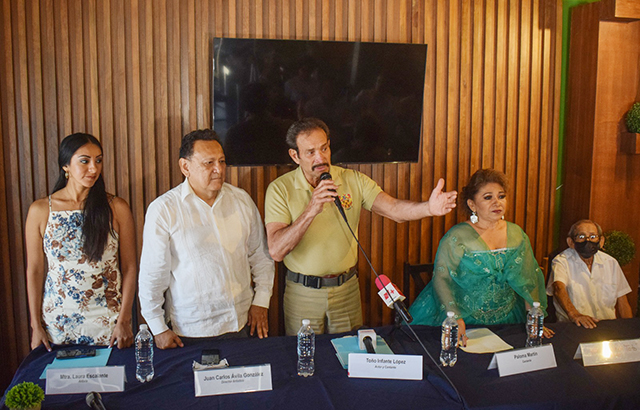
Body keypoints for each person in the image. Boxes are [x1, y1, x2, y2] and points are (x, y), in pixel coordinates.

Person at [264, 118, 457, 336]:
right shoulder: (280, 189)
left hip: (347, 291)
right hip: (303, 293)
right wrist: (312, 208)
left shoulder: (352, 179)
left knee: (349, 359)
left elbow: (393, 208)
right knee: (306, 359)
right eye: (310, 152)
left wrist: (428, 208)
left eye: (324, 148)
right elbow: (276, 250)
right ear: (294, 156)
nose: (320, 158)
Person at [138, 129, 274, 349]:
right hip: (190, 329)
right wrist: (158, 328)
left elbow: (260, 255)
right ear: (185, 167)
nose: (218, 170)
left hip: (242, 322)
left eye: (221, 161)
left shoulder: (241, 200)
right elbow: (152, 276)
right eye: (208, 163)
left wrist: (261, 301)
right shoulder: (164, 209)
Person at [408, 169, 553, 345]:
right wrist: (454, 318)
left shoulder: (517, 234)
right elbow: (442, 278)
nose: (496, 202)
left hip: (509, 320)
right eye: (487, 197)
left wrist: (534, 321)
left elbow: (528, 279)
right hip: (464, 319)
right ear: (472, 204)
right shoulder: (457, 236)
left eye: (501, 196)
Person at [25, 133, 137, 351]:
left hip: (108, 323)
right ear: (65, 166)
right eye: (84, 161)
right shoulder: (40, 210)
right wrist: (35, 325)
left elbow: (130, 267)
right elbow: (35, 270)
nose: (93, 168)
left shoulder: (116, 207)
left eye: (98, 160)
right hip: (57, 323)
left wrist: (124, 321)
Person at [546, 220, 632, 329]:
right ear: (571, 242)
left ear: (601, 241)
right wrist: (574, 314)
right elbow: (558, 288)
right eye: (581, 236)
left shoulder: (611, 262)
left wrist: (630, 330)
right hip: (574, 327)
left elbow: (623, 302)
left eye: (593, 237)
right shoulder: (561, 261)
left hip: (606, 328)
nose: (587, 241)